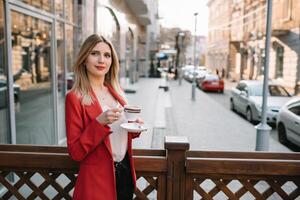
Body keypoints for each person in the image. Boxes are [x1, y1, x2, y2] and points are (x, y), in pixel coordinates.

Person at [65, 34, 143, 200]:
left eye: (107, 55)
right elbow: (75, 152)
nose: (102, 60)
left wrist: (134, 126)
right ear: (84, 59)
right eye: (94, 53)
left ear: (112, 61)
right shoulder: (75, 97)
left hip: (125, 175)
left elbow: (119, 134)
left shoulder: (117, 93)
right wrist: (99, 123)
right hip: (96, 182)